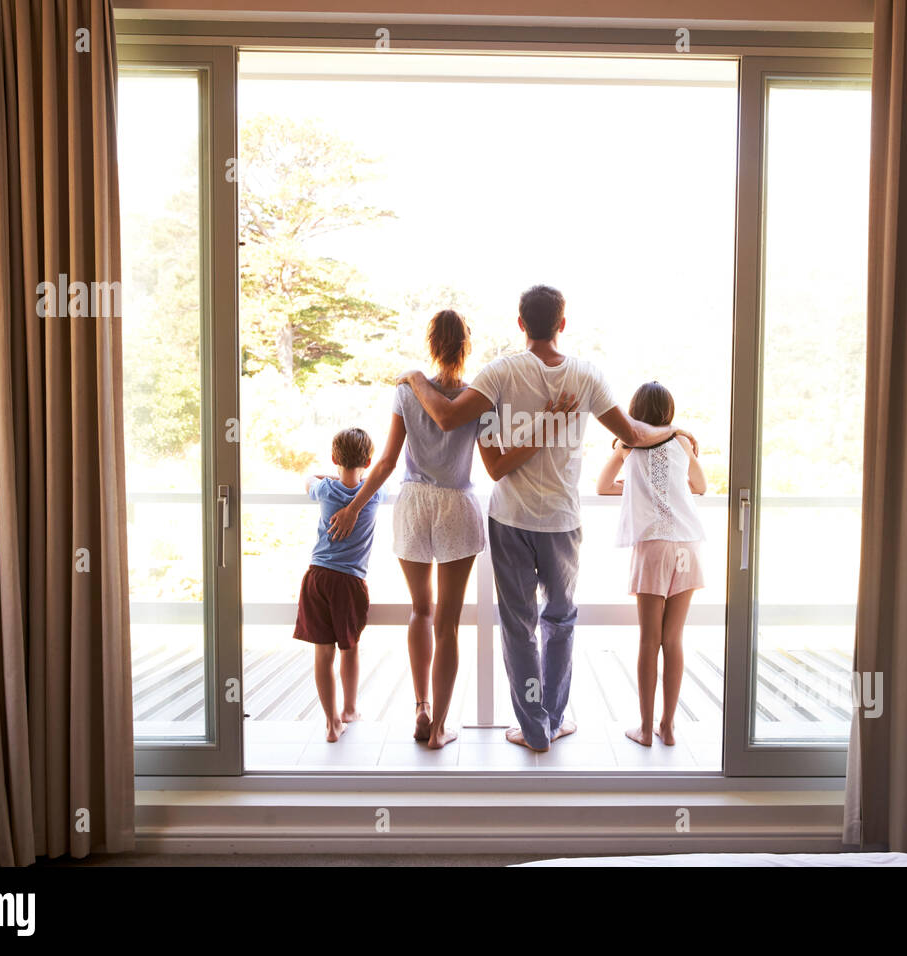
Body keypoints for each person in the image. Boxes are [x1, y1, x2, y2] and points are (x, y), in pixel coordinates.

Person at [399, 285, 698, 753]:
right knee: (560, 622)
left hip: (511, 520)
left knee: (520, 627)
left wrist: (414, 377)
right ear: (563, 323)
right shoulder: (588, 376)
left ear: (521, 324)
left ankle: (535, 727)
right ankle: (553, 720)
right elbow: (636, 435)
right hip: (562, 522)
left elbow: (447, 415)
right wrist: (674, 430)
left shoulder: (499, 372)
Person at [329, 310, 577, 748]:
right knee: (447, 625)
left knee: (420, 612)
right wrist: (547, 421)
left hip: (413, 504)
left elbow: (385, 462)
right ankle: (439, 728)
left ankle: (421, 707)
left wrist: (353, 508)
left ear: (430, 342)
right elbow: (495, 464)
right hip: (456, 507)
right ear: (466, 345)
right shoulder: (477, 399)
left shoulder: (407, 392)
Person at [596, 382, 707, 746]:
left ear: (634, 412)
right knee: (673, 640)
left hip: (654, 546)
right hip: (686, 544)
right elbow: (700, 485)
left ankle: (644, 729)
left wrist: (628, 472)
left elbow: (602, 486)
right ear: (669, 412)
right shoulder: (682, 441)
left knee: (649, 640)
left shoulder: (627, 446)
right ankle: (669, 726)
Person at [293, 427, 385, 743]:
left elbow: (308, 478)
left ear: (334, 458)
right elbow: (383, 480)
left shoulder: (326, 490)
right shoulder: (374, 495)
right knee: (349, 647)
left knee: (322, 652)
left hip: (317, 576)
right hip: (349, 582)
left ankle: (331, 723)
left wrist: (324, 473)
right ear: (370, 461)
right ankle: (349, 709)